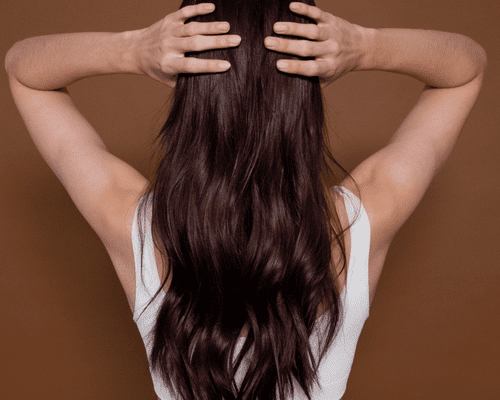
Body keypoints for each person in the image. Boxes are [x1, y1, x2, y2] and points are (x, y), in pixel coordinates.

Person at [5, 0, 487, 399]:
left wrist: (133, 50)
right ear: (305, 101)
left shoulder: (131, 221)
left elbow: (24, 70)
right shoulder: (362, 221)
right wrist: (366, 47)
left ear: (191, 96)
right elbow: (466, 68)